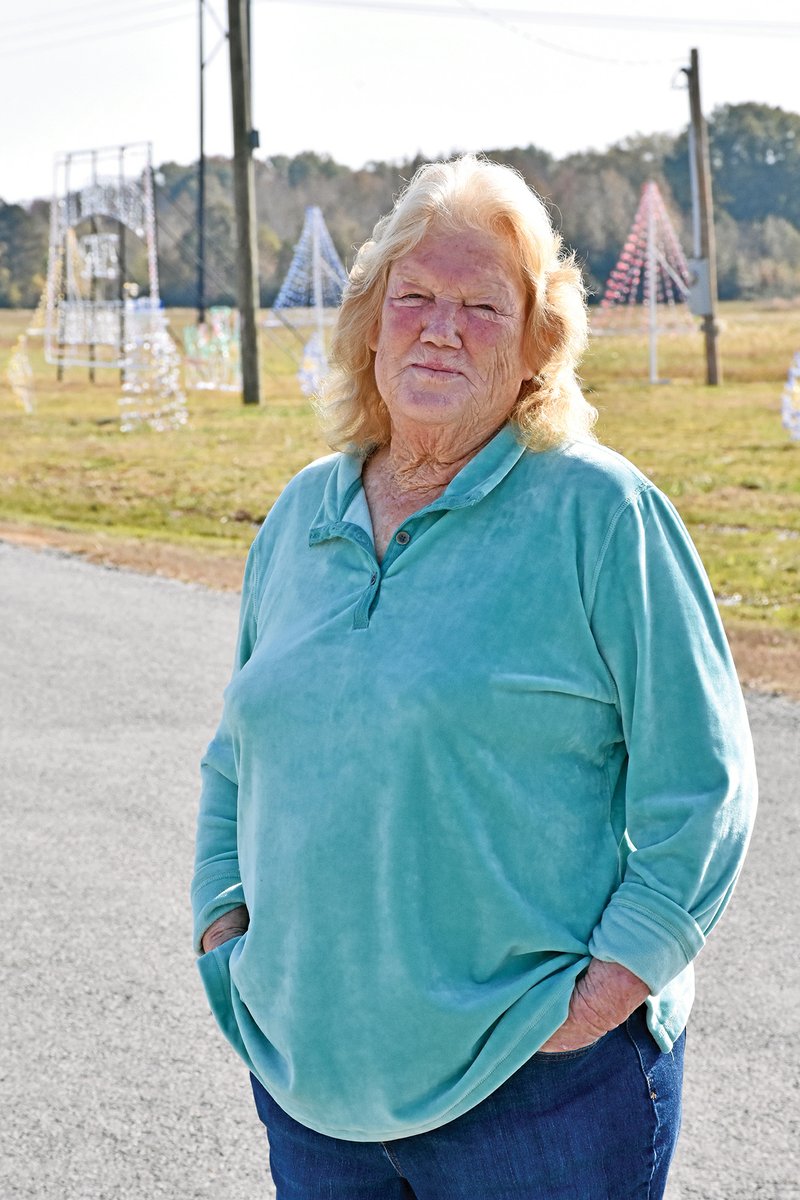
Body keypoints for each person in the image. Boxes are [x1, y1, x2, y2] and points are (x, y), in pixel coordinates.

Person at [191, 155, 757, 1199]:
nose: (439, 327)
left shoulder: (597, 514)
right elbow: (237, 751)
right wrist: (222, 925)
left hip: (533, 1094)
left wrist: (607, 990)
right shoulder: (300, 514)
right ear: (368, 321)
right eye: (412, 297)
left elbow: (702, 781)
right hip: (316, 1091)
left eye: (481, 306)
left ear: (537, 344)